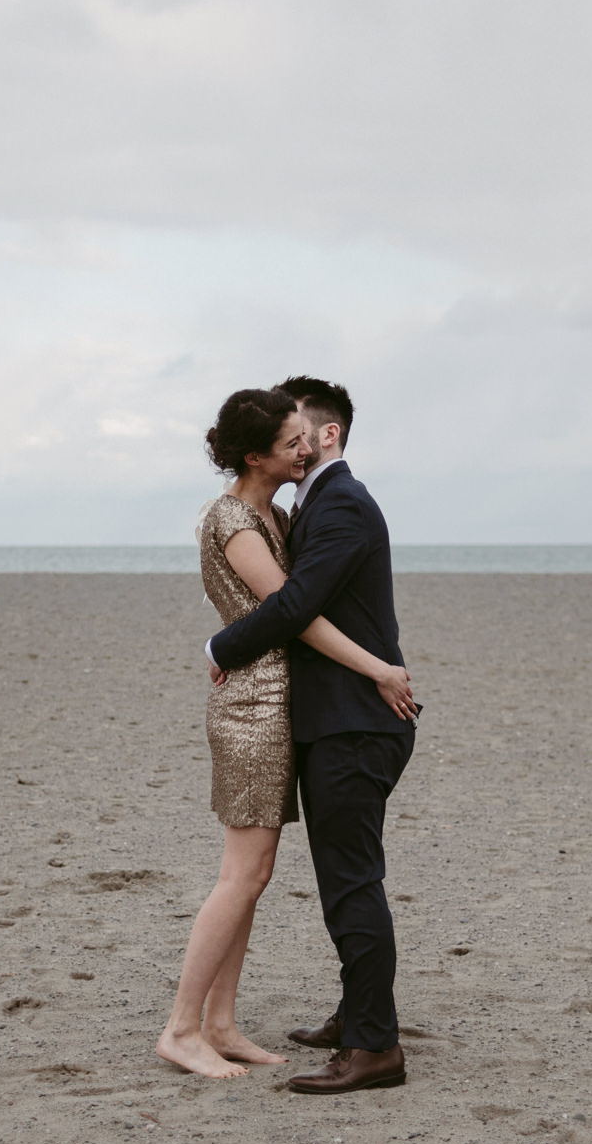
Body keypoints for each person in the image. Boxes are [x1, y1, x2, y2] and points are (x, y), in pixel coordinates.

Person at [156, 388, 416, 1080]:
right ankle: (187, 1026)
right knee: (247, 874)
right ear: (256, 454)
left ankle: (225, 1023)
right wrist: (225, 650)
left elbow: (298, 604)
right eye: (287, 440)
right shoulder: (244, 517)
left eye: (305, 436)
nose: (300, 449)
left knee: (275, 875)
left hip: (304, 711)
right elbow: (293, 609)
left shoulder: (304, 507)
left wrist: (381, 670)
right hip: (259, 707)